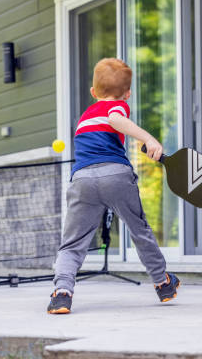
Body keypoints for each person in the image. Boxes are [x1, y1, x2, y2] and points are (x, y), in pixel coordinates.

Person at [47, 58, 180, 314]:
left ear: (93, 92)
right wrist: (148, 138)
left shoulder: (85, 115)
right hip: (116, 176)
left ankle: (62, 293)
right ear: (128, 94)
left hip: (82, 180)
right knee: (139, 230)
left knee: (72, 243)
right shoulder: (118, 107)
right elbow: (116, 119)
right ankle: (163, 283)